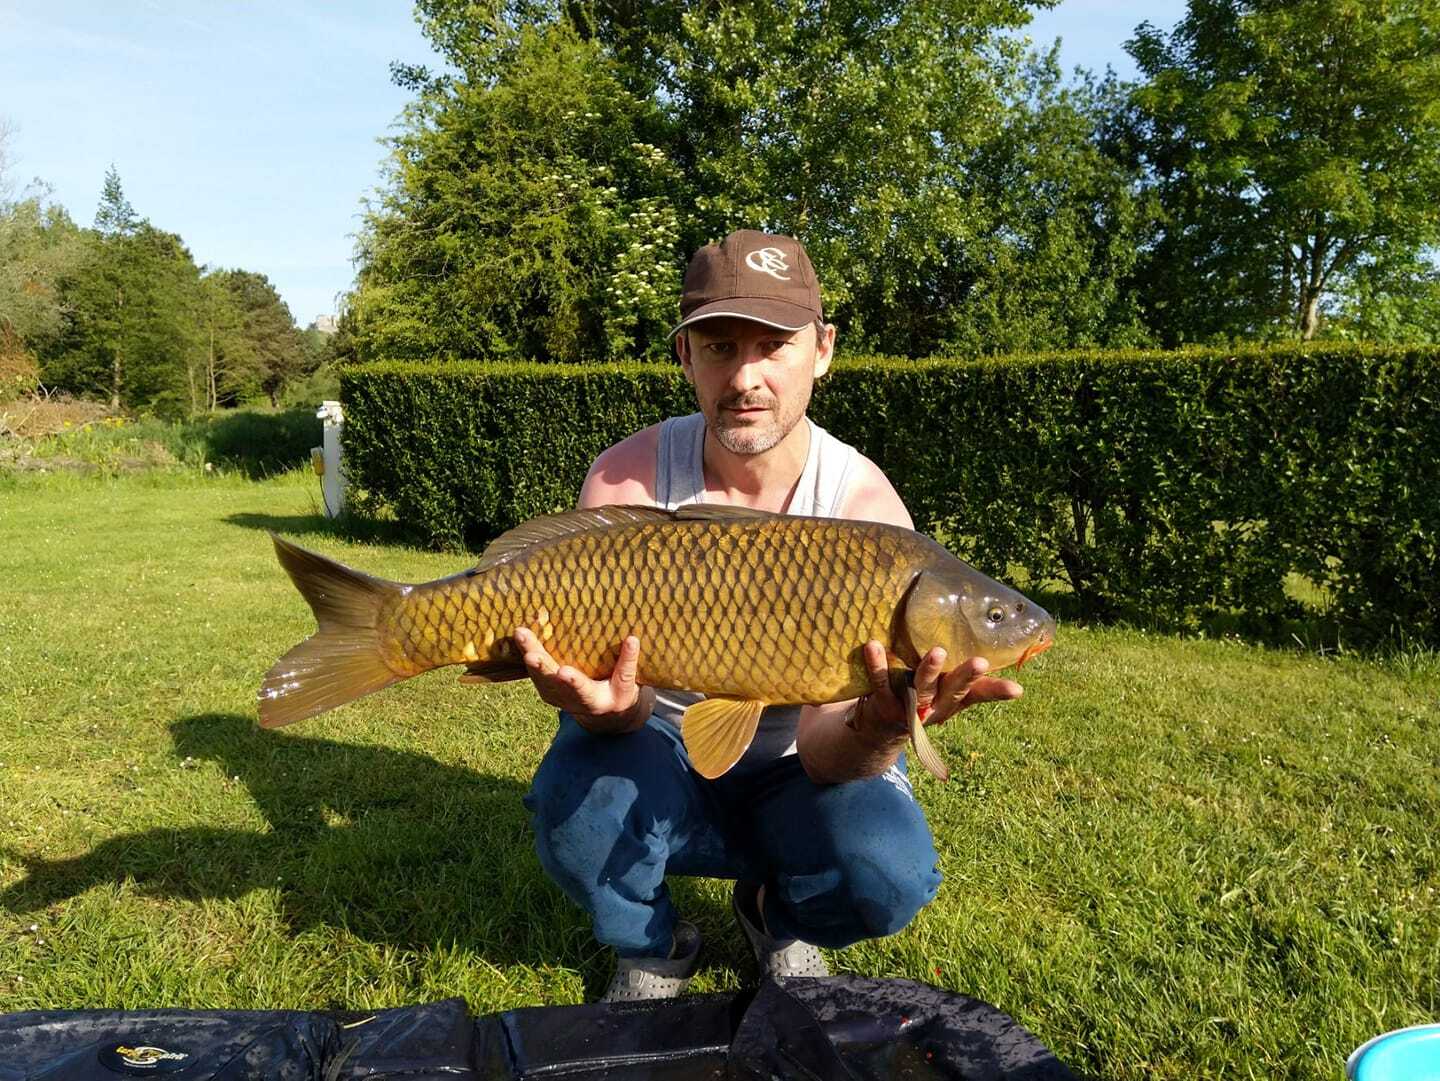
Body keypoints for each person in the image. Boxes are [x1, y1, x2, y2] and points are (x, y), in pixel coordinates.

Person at [517, 229, 1023, 1001]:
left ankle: (773, 911)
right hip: (660, 746)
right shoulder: (628, 475)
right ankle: (650, 946)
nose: (745, 376)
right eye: (720, 347)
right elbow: (625, 688)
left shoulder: (867, 513)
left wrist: (882, 723)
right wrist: (610, 709)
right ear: (684, 356)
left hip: (796, 771)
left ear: (822, 349)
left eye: (773, 346)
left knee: (887, 867)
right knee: (576, 803)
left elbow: (825, 752)